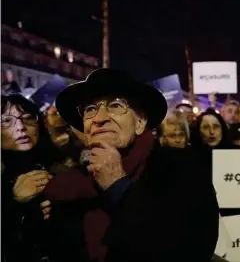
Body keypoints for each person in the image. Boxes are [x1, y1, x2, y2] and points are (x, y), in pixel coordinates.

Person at [43, 68, 219, 262]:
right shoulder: (67, 185)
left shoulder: (181, 168)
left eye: (116, 105)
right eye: (90, 109)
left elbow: (193, 248)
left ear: (140, 122)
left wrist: (118, 187)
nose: (99, 118)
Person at [1, 94, 63, 262]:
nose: (20, 127)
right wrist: (13, 202)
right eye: (6, 121)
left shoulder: (62, 166)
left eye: (28, 118)